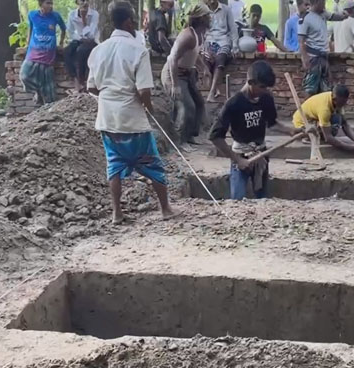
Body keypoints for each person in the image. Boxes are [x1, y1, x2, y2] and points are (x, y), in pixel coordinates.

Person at [87, 5, 178, 224]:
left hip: (107, 118)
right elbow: (144, 90)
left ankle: (117, 213)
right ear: (128, 22)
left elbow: (91, 87)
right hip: (132, 119)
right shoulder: (138, 50)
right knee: (152, 164)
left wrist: (110, 95)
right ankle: (165, 208)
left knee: (114, 165)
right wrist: (149, 108)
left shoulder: (99, 50)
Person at [210, 61, 289, 200]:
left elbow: (272, 123)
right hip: (241, 156)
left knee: (262, 199)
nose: (265, 91)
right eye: (262, 87)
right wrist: (237, 160)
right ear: (251, 82)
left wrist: (292, 131)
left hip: (261, 155)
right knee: (237, 200)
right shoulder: (233, 104)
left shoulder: (266, 98)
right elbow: (215, 136)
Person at [161, 4, 211, 151]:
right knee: (188, 106)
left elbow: (193, 55)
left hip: (186, 74)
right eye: (208, 16)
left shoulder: (198, 34)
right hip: (174, 74)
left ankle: (190, 136)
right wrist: (175, 85)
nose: (210, 18)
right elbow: (172, 59)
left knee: (199, 104)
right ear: (202, 18)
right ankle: (179, 142)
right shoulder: (187, 36)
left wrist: (205, 69)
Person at [292, 85, 354, 156]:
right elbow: (328, 138)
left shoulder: (336, 99)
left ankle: (318, 133)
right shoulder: (324, 109)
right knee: (331, 129)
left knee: (337, 119)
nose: (343, 105)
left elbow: (345, 124)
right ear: (335, 100)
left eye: (344, 102)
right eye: (341, 103)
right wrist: (350, 148)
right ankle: (307, 137)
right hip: (302, 124)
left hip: (314, 118)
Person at [298, 0, 348, 97]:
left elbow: (335, 17)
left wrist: (344, 15)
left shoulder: (323, 14)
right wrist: (305, 58)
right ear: (317, 2)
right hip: (313, 58)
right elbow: (301, 41)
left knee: (326, 89)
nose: (325, 4)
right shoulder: (306, 18)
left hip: (324, 57)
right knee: (311, 88)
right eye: (323, 2)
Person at [21, 0, 66, 105]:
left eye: (51, 3)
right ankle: (36, 91)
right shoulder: (32, 15)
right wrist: (28, 43)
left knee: (47, 82)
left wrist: (61, 43)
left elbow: (63, 29)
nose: (50, 6)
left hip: (48, 52)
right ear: (41, 4)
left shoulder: (55, 16)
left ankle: (48, 105)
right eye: (48, 3)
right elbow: (31, 29)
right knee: (25, 75)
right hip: (34, 51)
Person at [204, 0, 240, 102]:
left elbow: (233, 29)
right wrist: (204, 47)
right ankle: (217, 89)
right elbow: (201, 32)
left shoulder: (226, 10)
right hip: (208, 42)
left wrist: (235, 47)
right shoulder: (204, 11)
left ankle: (211, 92)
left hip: (223, 41)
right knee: (205, 61)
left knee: (220, 59)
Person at [65, 0, 98, 93]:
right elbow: (70, 32)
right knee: (67, 51)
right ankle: (75, 80)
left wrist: (84, 20)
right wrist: (79, 38)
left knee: (81, 51)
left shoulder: (94, 14)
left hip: (91, 41)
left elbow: (91, 35)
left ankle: (82, 80)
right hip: (79, 39)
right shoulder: (72, 15)